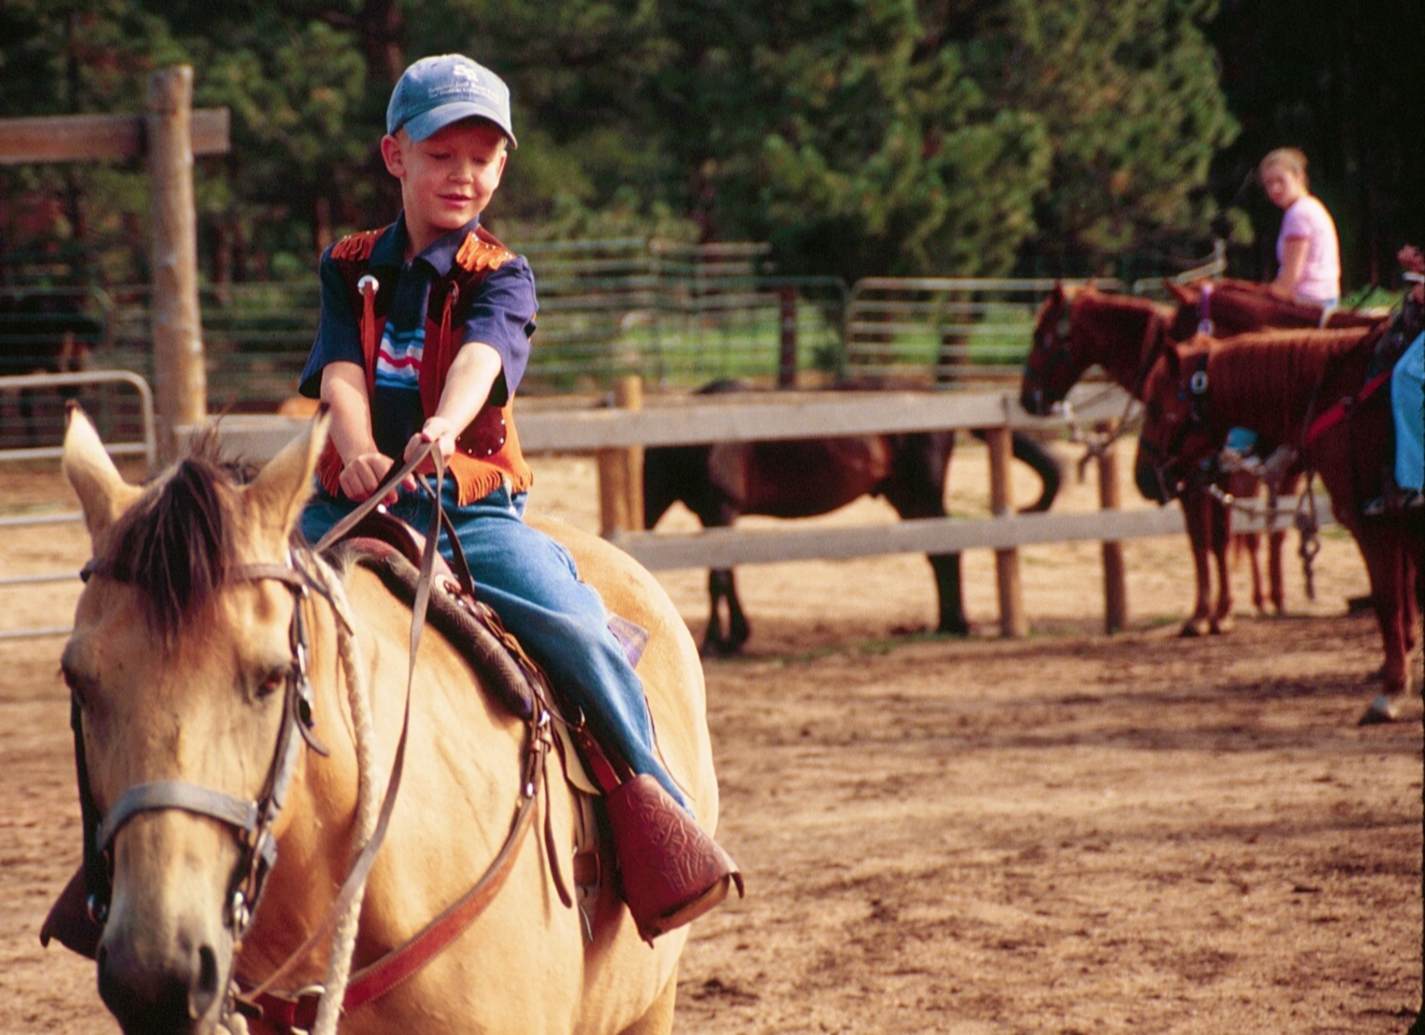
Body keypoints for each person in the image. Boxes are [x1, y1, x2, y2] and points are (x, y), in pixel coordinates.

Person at [295, 54, 736, 932]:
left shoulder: (501, 271)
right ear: (396, 156)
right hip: (351, 499)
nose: (463, 176)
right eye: (440, 154)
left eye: (482, 158)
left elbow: (482, 358)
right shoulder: (349, 265)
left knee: (572, 625)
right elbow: (339, 372)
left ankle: (658, 810)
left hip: (466, 505)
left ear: (503, 165)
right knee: (217, 609)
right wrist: (353, 449)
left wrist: (443, 427)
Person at [1222, 147, 1344, 467]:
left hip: (1306, 307)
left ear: (1300, 177)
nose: (1274, 189)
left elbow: (1288, 282)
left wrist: (1252, 299)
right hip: (1320, 303)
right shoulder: (1311, 209)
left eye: (1280, 180)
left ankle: (1240, 444)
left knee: (1248, 361)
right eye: (1268, 184)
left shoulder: (1299, 214)